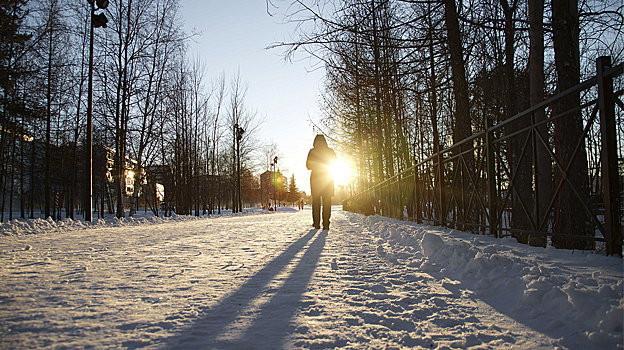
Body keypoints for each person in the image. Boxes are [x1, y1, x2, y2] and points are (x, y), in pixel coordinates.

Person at [306, 134, 337, 230]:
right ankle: (326, 224)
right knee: (327, 202)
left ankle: (316, 223)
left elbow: (308, 166)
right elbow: (335, 163)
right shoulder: (330, 151)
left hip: (316, 180)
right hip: (327, 179)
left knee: (316, 202)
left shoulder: (312, 151)